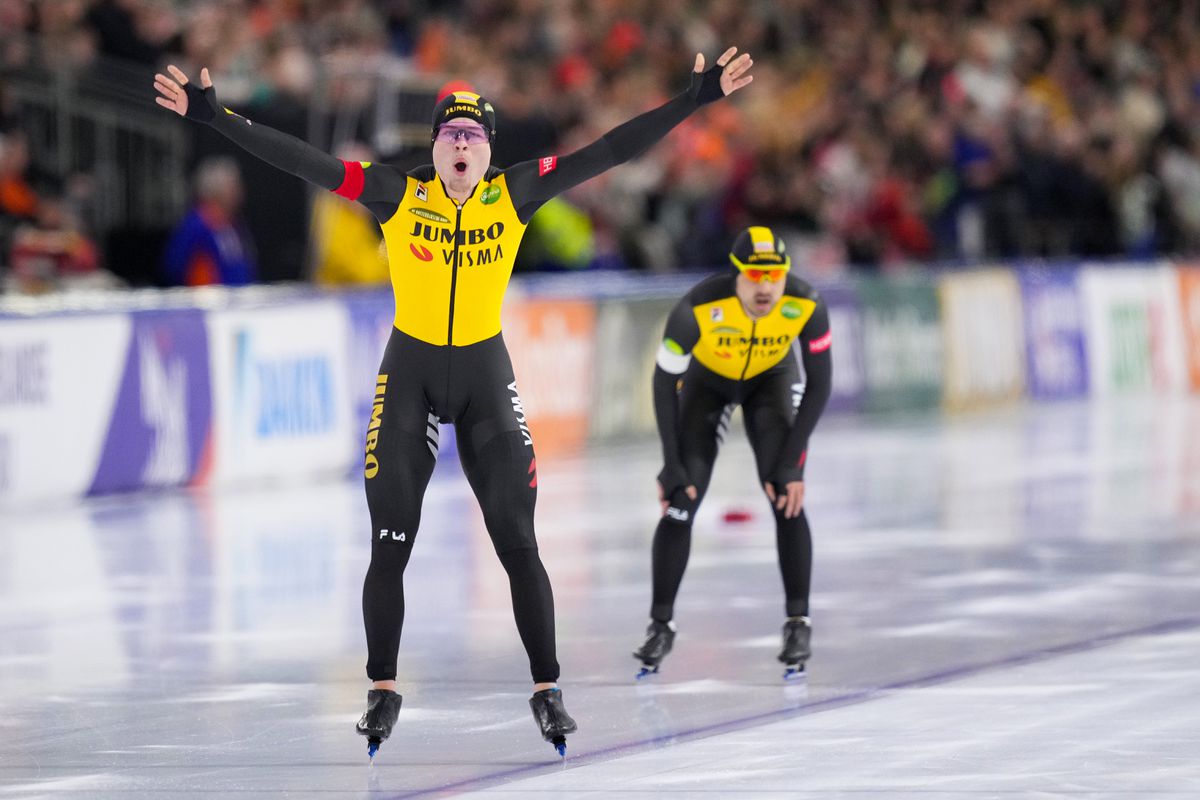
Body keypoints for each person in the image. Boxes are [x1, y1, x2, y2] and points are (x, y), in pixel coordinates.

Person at [153, 47, 754, 756]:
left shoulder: (515, 194)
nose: (461, 146)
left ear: (489, 151)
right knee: (390, 540)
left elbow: (610, 151)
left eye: (473, 137)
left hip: (483, 380)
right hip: (408, 374)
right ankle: (381, 688)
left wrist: (692, 101)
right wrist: (215, 117)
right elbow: (298, 161)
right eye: (450, 136)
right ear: (434, 147)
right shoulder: (394, 195)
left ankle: (547, 688)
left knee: (519, 542)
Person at [633, 226, 832, 680]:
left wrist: (792, 460)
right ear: (737, 274)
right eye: (755, 275)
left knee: (787, 492)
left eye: (774, 276)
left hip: (772, 381)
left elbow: (820, 385)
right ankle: (660, 625)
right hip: (710, 384)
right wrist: (670, 462)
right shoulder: (696, 308)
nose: (765, 287)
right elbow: (665, 384)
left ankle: (798, 622)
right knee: (681, 500)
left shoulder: (807, 303)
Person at [162, 156, 256, 286]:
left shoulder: (233, 224)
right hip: (209, 302)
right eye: (232, 186)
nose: (239, 191)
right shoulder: (196, 226)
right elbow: (174, 265)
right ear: (215, 189)